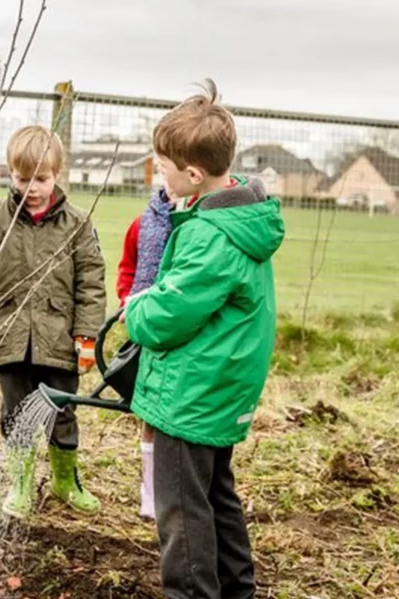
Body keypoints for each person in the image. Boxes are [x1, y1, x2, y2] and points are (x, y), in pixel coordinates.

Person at [124, 79, 284, 598]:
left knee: (181, 513)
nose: (160, 173)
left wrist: (135, 309)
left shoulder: (211, 236)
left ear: (192, 174)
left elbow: (168, 313)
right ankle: (238, 590)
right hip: (217, 390)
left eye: (163, 166)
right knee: (216, 498)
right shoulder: (238, 218)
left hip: (189, 396)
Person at [0, 125, 106, 518]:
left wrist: (86, 334)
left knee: (62, 411)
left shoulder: (77, 224)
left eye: (40, 179)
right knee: (16, 412)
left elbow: (90, 281)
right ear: (10, 173)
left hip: (58, 338)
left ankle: (64, 480)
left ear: (57, 174)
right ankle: (20, 484)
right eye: (23, 179)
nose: (31, 188)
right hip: (8, 336)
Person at [114, 182, 175, 521]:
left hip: (182, 334)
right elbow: (128, 268)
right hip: (147, 331)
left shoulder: (199, 228)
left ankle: (171, 486)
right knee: (149, 413)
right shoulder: (144, 225)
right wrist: (128, 300)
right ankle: (150, 489)